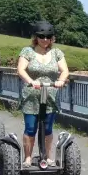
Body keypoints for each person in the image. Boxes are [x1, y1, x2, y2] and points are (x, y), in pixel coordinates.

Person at [16, 21, 69, 167]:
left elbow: (64, 70)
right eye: (42, 36)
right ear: (36, 37)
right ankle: (27, 158)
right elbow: (21, 70)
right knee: (31, 128)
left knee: (47, 128)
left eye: (48, 37)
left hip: (50, 95)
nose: (45, 39)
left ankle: (46, 156)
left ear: (52, 38)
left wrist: (61, 80)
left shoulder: (57, 53)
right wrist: (31, 81)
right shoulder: (27, 51)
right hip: (31, 95)